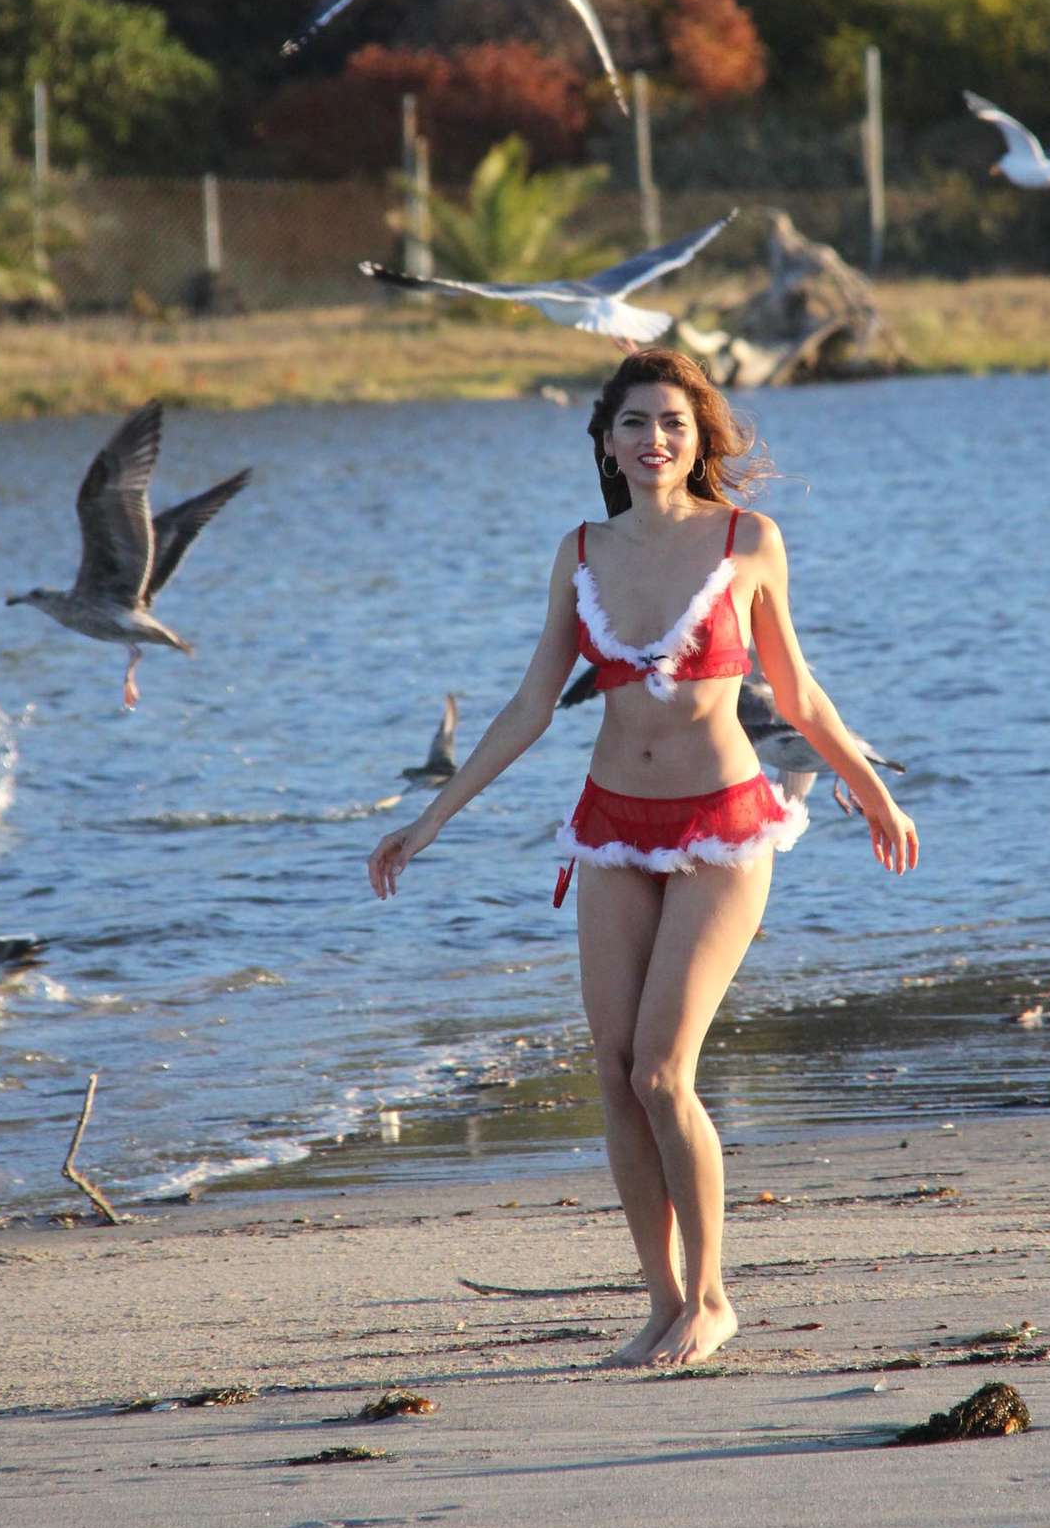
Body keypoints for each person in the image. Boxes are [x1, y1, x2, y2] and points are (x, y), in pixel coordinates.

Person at [367, 349, 918, 1367]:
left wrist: (869, 786)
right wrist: (430, 820)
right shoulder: (579, 549)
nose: (653, 439)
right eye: (633, 424)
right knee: (614, 1075)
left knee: (665, 1071)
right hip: (610, 828)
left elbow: (794, 695)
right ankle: (661, 1302)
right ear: (606, 443)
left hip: (722, 826)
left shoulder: (749, 540)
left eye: (671, 421)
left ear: (700, 436)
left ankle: (712, 1299)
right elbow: (532, 705)